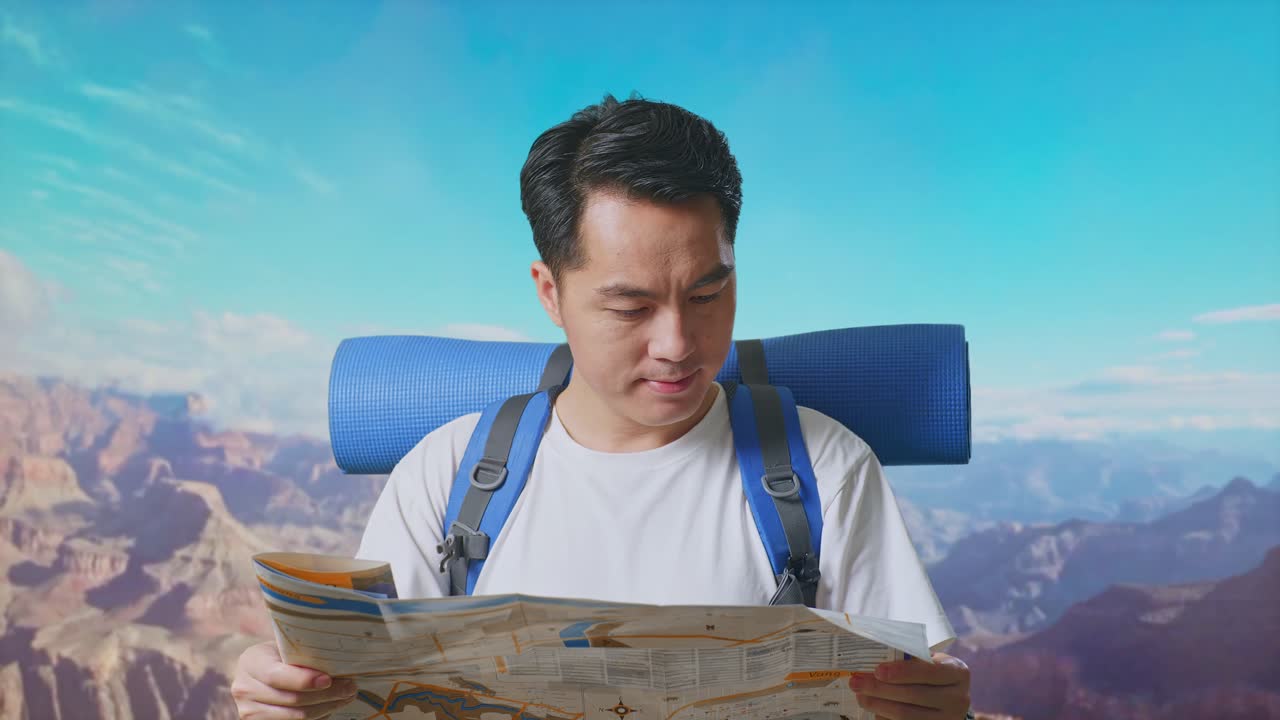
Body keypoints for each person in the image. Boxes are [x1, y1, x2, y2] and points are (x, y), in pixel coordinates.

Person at [232, 92, 972, 720]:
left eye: (709, 294)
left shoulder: (825, 470)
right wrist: (290, 699)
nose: (678, 343)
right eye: (630, 306)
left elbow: (906, 685)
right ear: (550, 293)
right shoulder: (450, 476)